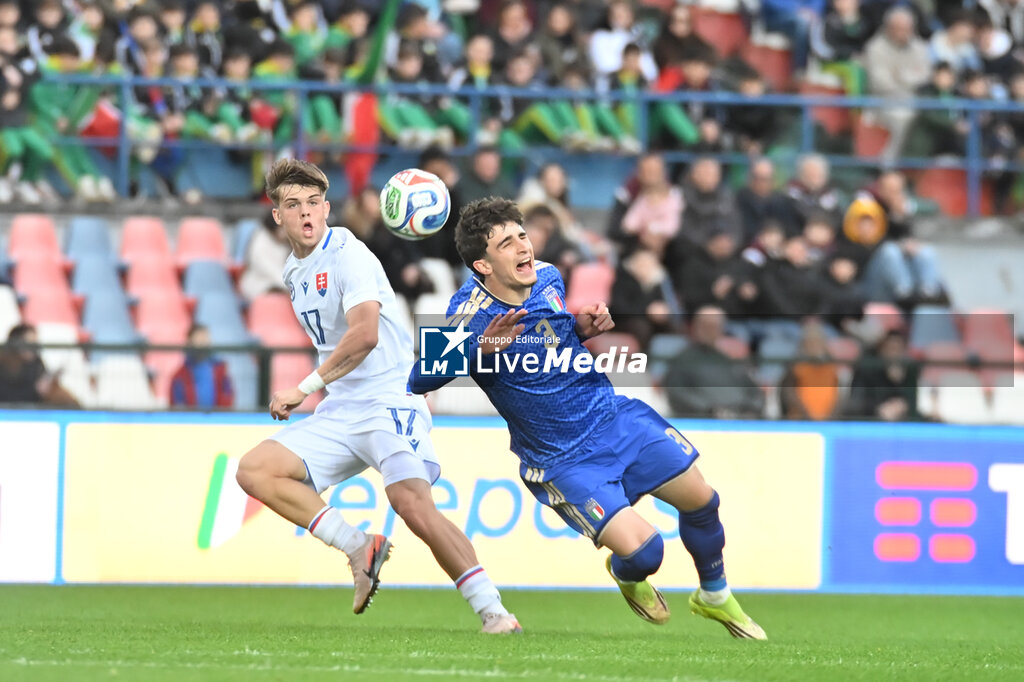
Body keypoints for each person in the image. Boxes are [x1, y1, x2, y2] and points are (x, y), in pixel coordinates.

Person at [408, 198, 766, 640]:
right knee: (646, 553)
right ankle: (627, 574)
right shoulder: (468, 312)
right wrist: (479, 349)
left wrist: (581, 328)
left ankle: (713, 595)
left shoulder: (550, 277)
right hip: (563, 460)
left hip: (613, 418)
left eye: (522, 234)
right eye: (507, 243)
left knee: (703, 500)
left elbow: (552, 335)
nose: (523, 247)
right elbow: (419, 375)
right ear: (482, 263)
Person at [234, 159, 520, 634]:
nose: (305, 214)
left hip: (390, 397)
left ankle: (493, 611)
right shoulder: (292, 271)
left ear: (326, 208)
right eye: (292, 205)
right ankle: (356, 546)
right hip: (342, 409)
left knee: (412, 506)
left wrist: (302, 389)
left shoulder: (350, 253)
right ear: (277, 216)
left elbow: (364, 335)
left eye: (312, 203)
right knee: (255, 470)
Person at [0, 323, 79, 406]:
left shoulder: (36, 362)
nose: (34, 348)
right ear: (17, 343)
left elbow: (44, 384)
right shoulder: (4, 363)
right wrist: (35, 390)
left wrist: (47, 386)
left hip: (37, 411)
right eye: (30, 343)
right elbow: (9, 397)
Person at [170, 324, 235, 408]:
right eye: (199, 339)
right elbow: (178, 405)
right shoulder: (180, 376)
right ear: (190, 342)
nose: (203, 342)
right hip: (191, 419)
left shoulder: (220, 370)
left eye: (205, 338)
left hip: (216, 418)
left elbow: (227, 396)